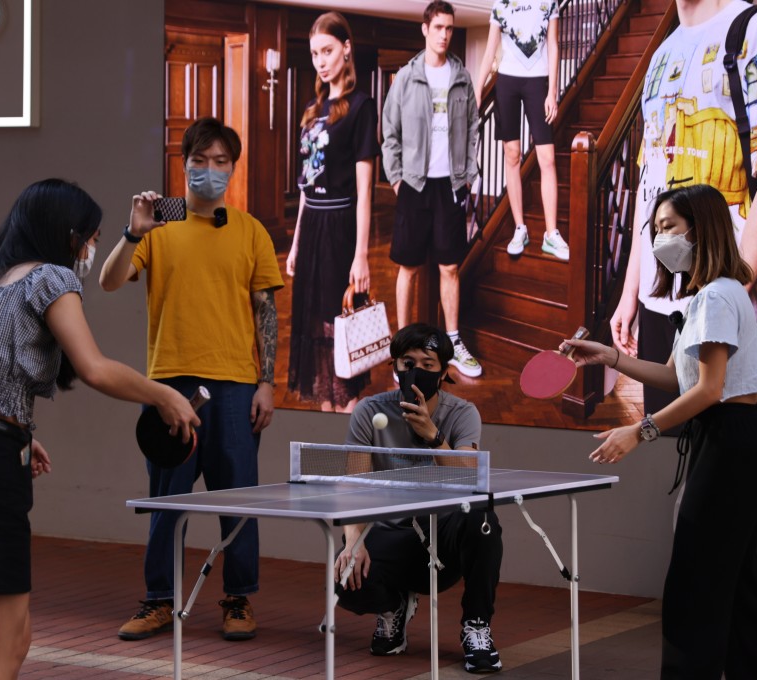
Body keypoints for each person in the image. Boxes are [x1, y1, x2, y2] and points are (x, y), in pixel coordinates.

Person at [0, 178, 199, 679]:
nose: (90, 249)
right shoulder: (50, 279)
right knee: (3, 655)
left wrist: (15, 427)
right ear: (68, 235)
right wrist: (164, 394)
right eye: (90, 237)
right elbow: (94, 368)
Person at [564, 184, 757, 679]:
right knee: (736, 586)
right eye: (656, 229)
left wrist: (640, 430)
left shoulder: (716, 295)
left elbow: (710, 390)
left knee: (696, 586)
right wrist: (611, 356)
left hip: (731, 444)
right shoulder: (708, 298)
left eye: (669, 227)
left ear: (701, 228)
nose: (659, 239)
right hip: (736, 444)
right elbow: (677, 377)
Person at [99, 118, 283, 642]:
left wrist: (266, 382)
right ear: (184, 165)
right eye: (199, 161)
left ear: (233, 168)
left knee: (239, 500)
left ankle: (238, 599)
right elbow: (109, 282)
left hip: (234, 385)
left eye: (221, 162)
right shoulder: (157, 228)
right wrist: (133, 230)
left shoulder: (250, 231)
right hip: (167, 386)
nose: (210, 171)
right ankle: (160, 600)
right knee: (166, 498)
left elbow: (264, 308)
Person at [609, 0, 757, 418]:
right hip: (659, 301)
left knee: (725, 462)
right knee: (666, 460)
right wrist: (631, 292)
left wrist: (729, 296)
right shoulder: (662, 54)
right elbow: (650, 186)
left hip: (723, 299)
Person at [334, 323, 504, 674]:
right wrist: (353, 541)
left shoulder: (461, 413)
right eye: (407, 362)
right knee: (345, 580)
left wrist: (432, 435)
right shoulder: (368, 411)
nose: (416, 372)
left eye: (428, 364)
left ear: (443, 371)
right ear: (394, 366)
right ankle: (392, 605)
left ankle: (476, 627)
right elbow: (353, 484)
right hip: (390, 534)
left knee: (482, 514)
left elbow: (469, 475)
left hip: (442, 537)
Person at [382, 1, 483, 379]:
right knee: (408, 268)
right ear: (425, 29)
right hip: (413, 184)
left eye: (449, 28)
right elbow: (389, 131)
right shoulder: (407, 77)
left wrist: (469, 174)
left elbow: (473, 127)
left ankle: (453, 342)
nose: (444, 34)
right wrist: (396, 178)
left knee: (450, 267)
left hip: (451, 185)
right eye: (438, 27)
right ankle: (402, 346)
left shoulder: (461, 76)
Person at [286, 11, 380, 413]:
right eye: (314, 54)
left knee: (339, 325)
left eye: (327, 51)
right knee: (315, 329)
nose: (321, 61)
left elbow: (365, 191)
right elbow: (306, 187)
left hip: (341, 229)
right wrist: (294, 244)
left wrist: (361, 254)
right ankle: (327, 411)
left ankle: (347, 414)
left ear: (346, 49)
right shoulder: (311, 109)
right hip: (312, 229)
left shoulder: (361, 107)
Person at [475, 0, 567, 261]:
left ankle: (551, 233)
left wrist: (552, 91)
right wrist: (478, 89)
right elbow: (491, 50)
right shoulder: (500, 5)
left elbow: (553, 44)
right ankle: (520, 228)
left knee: (547, 157)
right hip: (507, 82)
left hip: (538, 81)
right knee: (511, 154)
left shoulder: (549, 3)